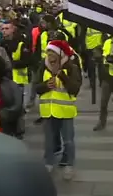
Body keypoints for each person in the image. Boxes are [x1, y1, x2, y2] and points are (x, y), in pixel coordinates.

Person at [34, 40, 82, 180]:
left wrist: (62, 75)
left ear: (60, 54)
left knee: (68, 140)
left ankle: (69, 165)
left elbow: (75, 89)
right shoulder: (43, 66)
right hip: (48, 110)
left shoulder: (71, 67)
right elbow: (36, 87)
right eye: (48, 52)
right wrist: (45, 85)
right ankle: (48, 162)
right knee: (49, 140)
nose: (49, 55)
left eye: (52, 52)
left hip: (65, 110)